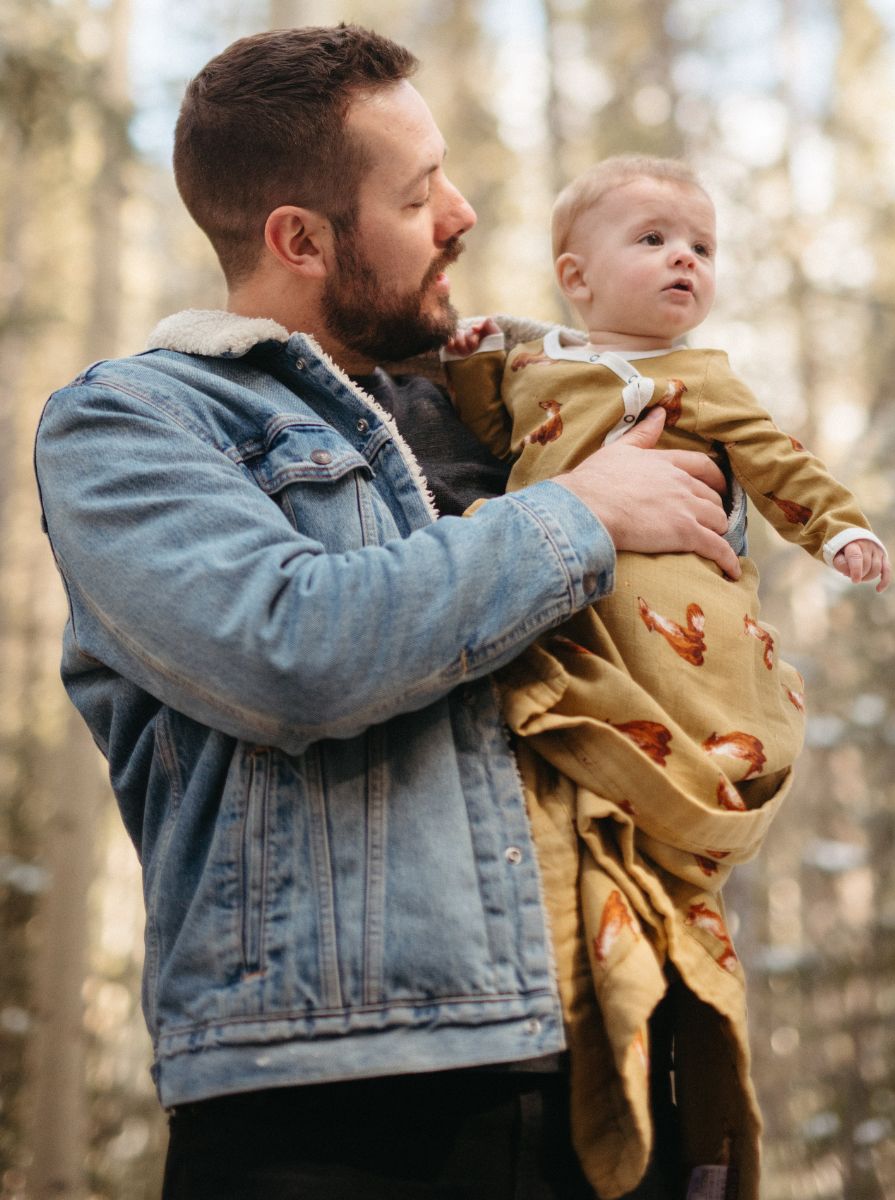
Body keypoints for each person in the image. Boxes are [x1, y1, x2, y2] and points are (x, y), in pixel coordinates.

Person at [32, 27, 745, 1200]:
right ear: (298, 239)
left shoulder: (512, 391)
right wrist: (575, 516)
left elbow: (701, 582)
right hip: (335, 1100)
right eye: (417, 195)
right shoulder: (136, 423)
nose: (463, 214)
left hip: (618, 1071)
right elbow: (289, 650)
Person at [439, 155, 891, 1198]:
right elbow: (483, 420)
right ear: (577, 275)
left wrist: (841, 531)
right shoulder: (529, 359)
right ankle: (657, 1113)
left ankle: (698, 1135)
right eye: (652, 239)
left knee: (680, 794)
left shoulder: (710, 380)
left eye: (700, 245)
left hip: (680, 612)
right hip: (567, 611)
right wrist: (467, 352)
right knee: (609, 844)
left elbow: (782, 464)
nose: (685, 257)